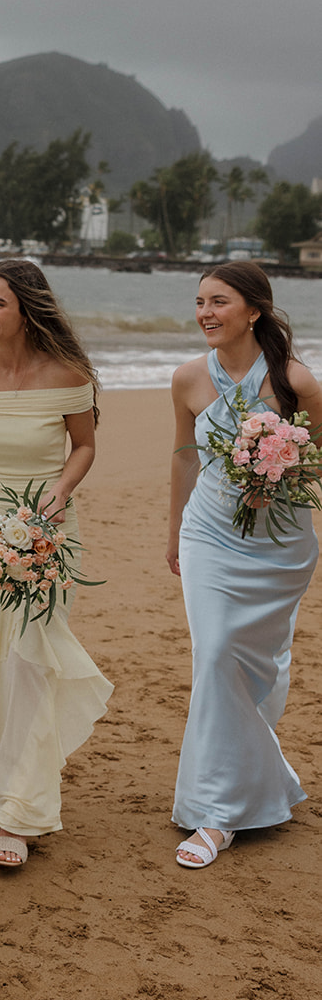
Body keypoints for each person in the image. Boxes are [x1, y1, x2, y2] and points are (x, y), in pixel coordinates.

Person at [0, 259, 112, 868]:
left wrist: (60, 493)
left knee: (33, 658)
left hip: (46, 533)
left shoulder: (66, 374)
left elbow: (85, 445)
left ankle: (23, 808)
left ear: (27, 309)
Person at [166, 261, 322, 869]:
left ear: (253, 311)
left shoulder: (297, 383)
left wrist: (277, 472)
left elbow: (317, 461)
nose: (205, 312)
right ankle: (219, 813)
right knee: (216, 653)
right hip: (208, 533)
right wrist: (174, 529)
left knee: (249, 665)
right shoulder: (185, 379)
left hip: (278, 545)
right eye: (200, 301)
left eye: (218, 302)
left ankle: (262, 780)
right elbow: (183, 458)